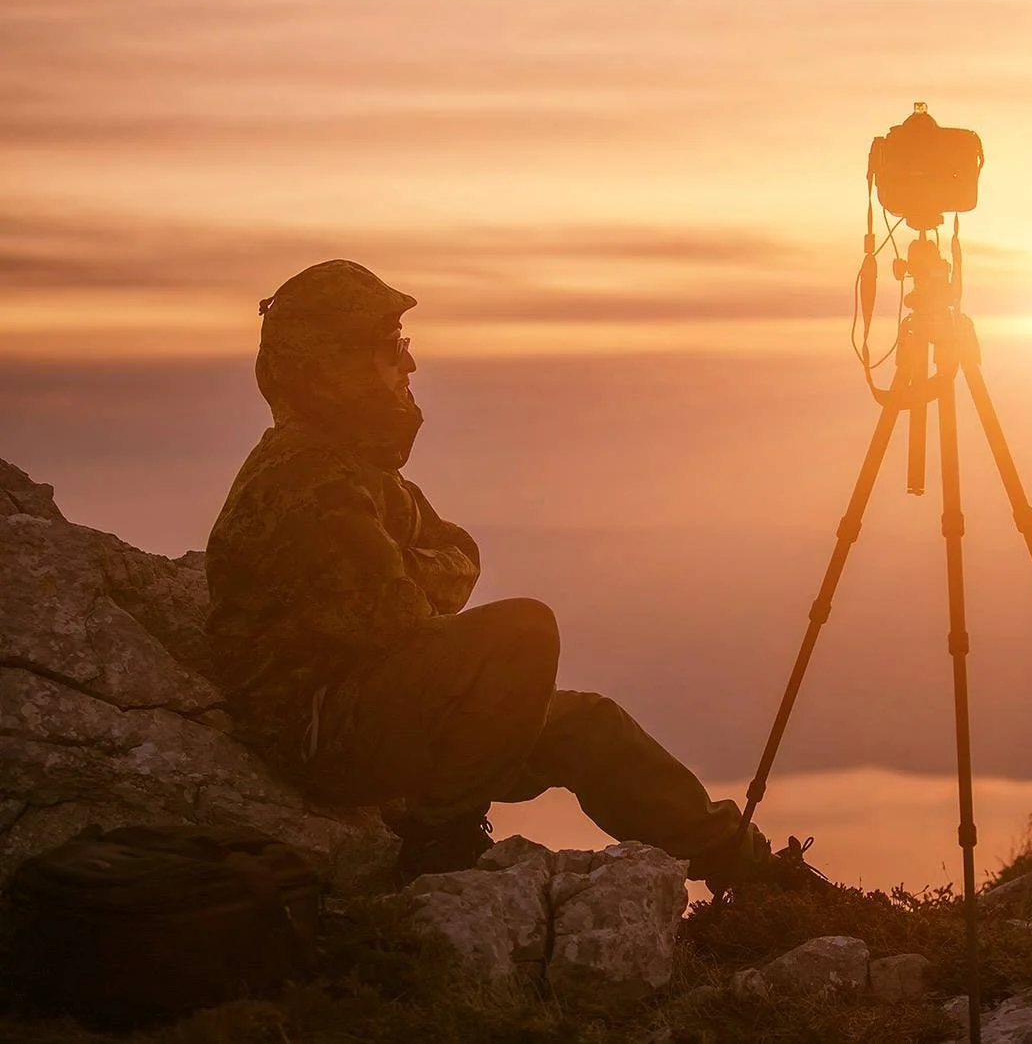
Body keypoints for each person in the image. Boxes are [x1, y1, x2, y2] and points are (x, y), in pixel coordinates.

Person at [204, 258, 823, 888]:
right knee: (523, 631)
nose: (409, 365)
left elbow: (457, 554)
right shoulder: (308, 479)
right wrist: (423, 580)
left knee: (587, 726)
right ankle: (438, 843)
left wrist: (415, 572)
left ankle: (747, 872)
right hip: (318, 733)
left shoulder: (359, 472)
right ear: (337, 367)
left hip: (365, 705)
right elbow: (398, 618)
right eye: (392, 348)